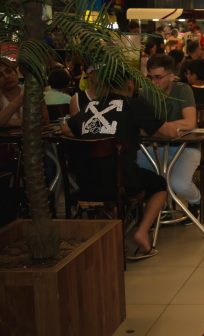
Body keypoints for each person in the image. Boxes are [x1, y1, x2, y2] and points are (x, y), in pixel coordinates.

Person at [63, 74, 174, 260]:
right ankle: (141, 233)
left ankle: (111, 233)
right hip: (121, 182)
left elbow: (66, 129)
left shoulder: (91, 105)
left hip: (85, 184)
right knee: (159, 184)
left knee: (113, 174)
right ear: (130, 84)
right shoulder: (133, 104)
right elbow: (167, 132)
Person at [140, 55, 202, 219]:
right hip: (155, 148)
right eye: (150, 77)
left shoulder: (182, 90)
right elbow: (141, 127)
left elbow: (190, 122)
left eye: (158, 77)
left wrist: (159, 128)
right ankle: (155, 209)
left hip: (185, 147)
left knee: (179, 184)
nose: (154, 82)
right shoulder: (146, 92)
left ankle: (196, 200)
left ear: (171, 76)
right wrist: (168, 128)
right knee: (129, 168)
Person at [0, 58, 23, 127]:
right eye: (0, 75)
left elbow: (44, 120)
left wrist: (7, 122)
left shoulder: (31, 90)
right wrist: (20, 99)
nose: (6, 76)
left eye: (9, 71)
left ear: (16, 73)